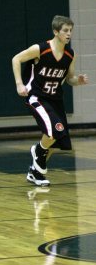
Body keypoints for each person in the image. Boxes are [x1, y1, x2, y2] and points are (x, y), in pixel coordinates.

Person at [12, 14, 88, 187]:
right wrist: (19, 84)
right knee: (53, 131)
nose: (69, 34)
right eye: (65, 31)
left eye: (71, 31)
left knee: (57, 138)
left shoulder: (70, 54)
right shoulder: (40, 49)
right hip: (36, 96)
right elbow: (16, 59)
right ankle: (37, 151)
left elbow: (69, 79)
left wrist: (78, 80)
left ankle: (35, 172)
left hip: (55, 99)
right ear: (56, 32)